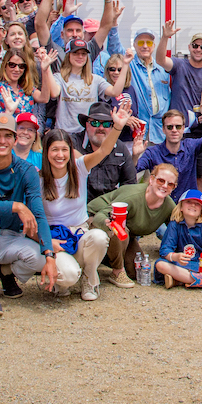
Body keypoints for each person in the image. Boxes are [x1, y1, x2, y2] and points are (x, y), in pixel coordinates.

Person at [0, 113, 57, 316]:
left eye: (7, 136)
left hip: (9, 239)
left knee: (40, 261)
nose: (2, 141)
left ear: (15, 140)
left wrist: (49, 254)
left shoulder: (26, 170)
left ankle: (5, 271)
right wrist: (17, 206)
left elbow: (38, 214)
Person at [38, 116, 125, 301]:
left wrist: (117, 126)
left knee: (100, 237)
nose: (60, 155)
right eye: (54, 150)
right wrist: (45, 242)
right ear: (45, 152)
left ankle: (89, 278)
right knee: (68, 276)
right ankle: (65, 279)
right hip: (55, 240)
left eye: (64, 149)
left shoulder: (79, 168)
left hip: (80, 233)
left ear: (71, 151)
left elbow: (103, 150)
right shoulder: (38, 179)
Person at [86, 162, 180, 288]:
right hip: (94, 219)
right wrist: (109, 224)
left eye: (170, 184)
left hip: (128, 235)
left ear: (174, 187)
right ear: (151, 179)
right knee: (118, 228)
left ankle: (105, 258)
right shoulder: (132, 196)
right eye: (161, 181)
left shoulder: (169, 206)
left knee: (136, 270)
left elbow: (178, 231)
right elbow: (99, 216)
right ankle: (117, 271)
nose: (164, 186)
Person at [136, 98, 202, 202]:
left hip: (188, 205)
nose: (174, 130)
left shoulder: (191, 146)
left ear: (183, 128)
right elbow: (134, 170)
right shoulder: (153, 152)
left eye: (178, 127)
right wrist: (135, 156)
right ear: (163, 129)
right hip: (162, 206)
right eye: (170, 127)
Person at [155, 190, 202, 290]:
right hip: (181, 264)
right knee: (160, 265)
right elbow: (165, 249)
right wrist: (175, 256)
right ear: (181, 207)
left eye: (197, 204)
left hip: (201, 265)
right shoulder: (175, 225)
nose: (193, 205)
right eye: (188, 202)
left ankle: (180, 280)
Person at [69, 99, 138, 202]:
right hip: (79, 207)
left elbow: (130, 185)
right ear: (87, 125)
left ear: (111, 127)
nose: (100, 128)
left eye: (106, 124)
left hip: (109, 206)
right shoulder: (72, 144)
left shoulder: (120, 148)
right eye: (95, 123)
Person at [156, 23, 202, 132]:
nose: (198, 49)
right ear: (189, 47)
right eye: (195, 45)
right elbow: (160, 60)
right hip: (178, 130)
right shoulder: (179, 65)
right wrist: (165, 37)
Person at [127, 28, 170, 144]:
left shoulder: (162, 70)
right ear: (134, 45)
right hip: (138, 131)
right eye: (141, 43)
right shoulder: (129, 66)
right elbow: (114, 46)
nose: (145, 46)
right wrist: (114, 23)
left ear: (154, 45)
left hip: (160, 132)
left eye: (149, 43)